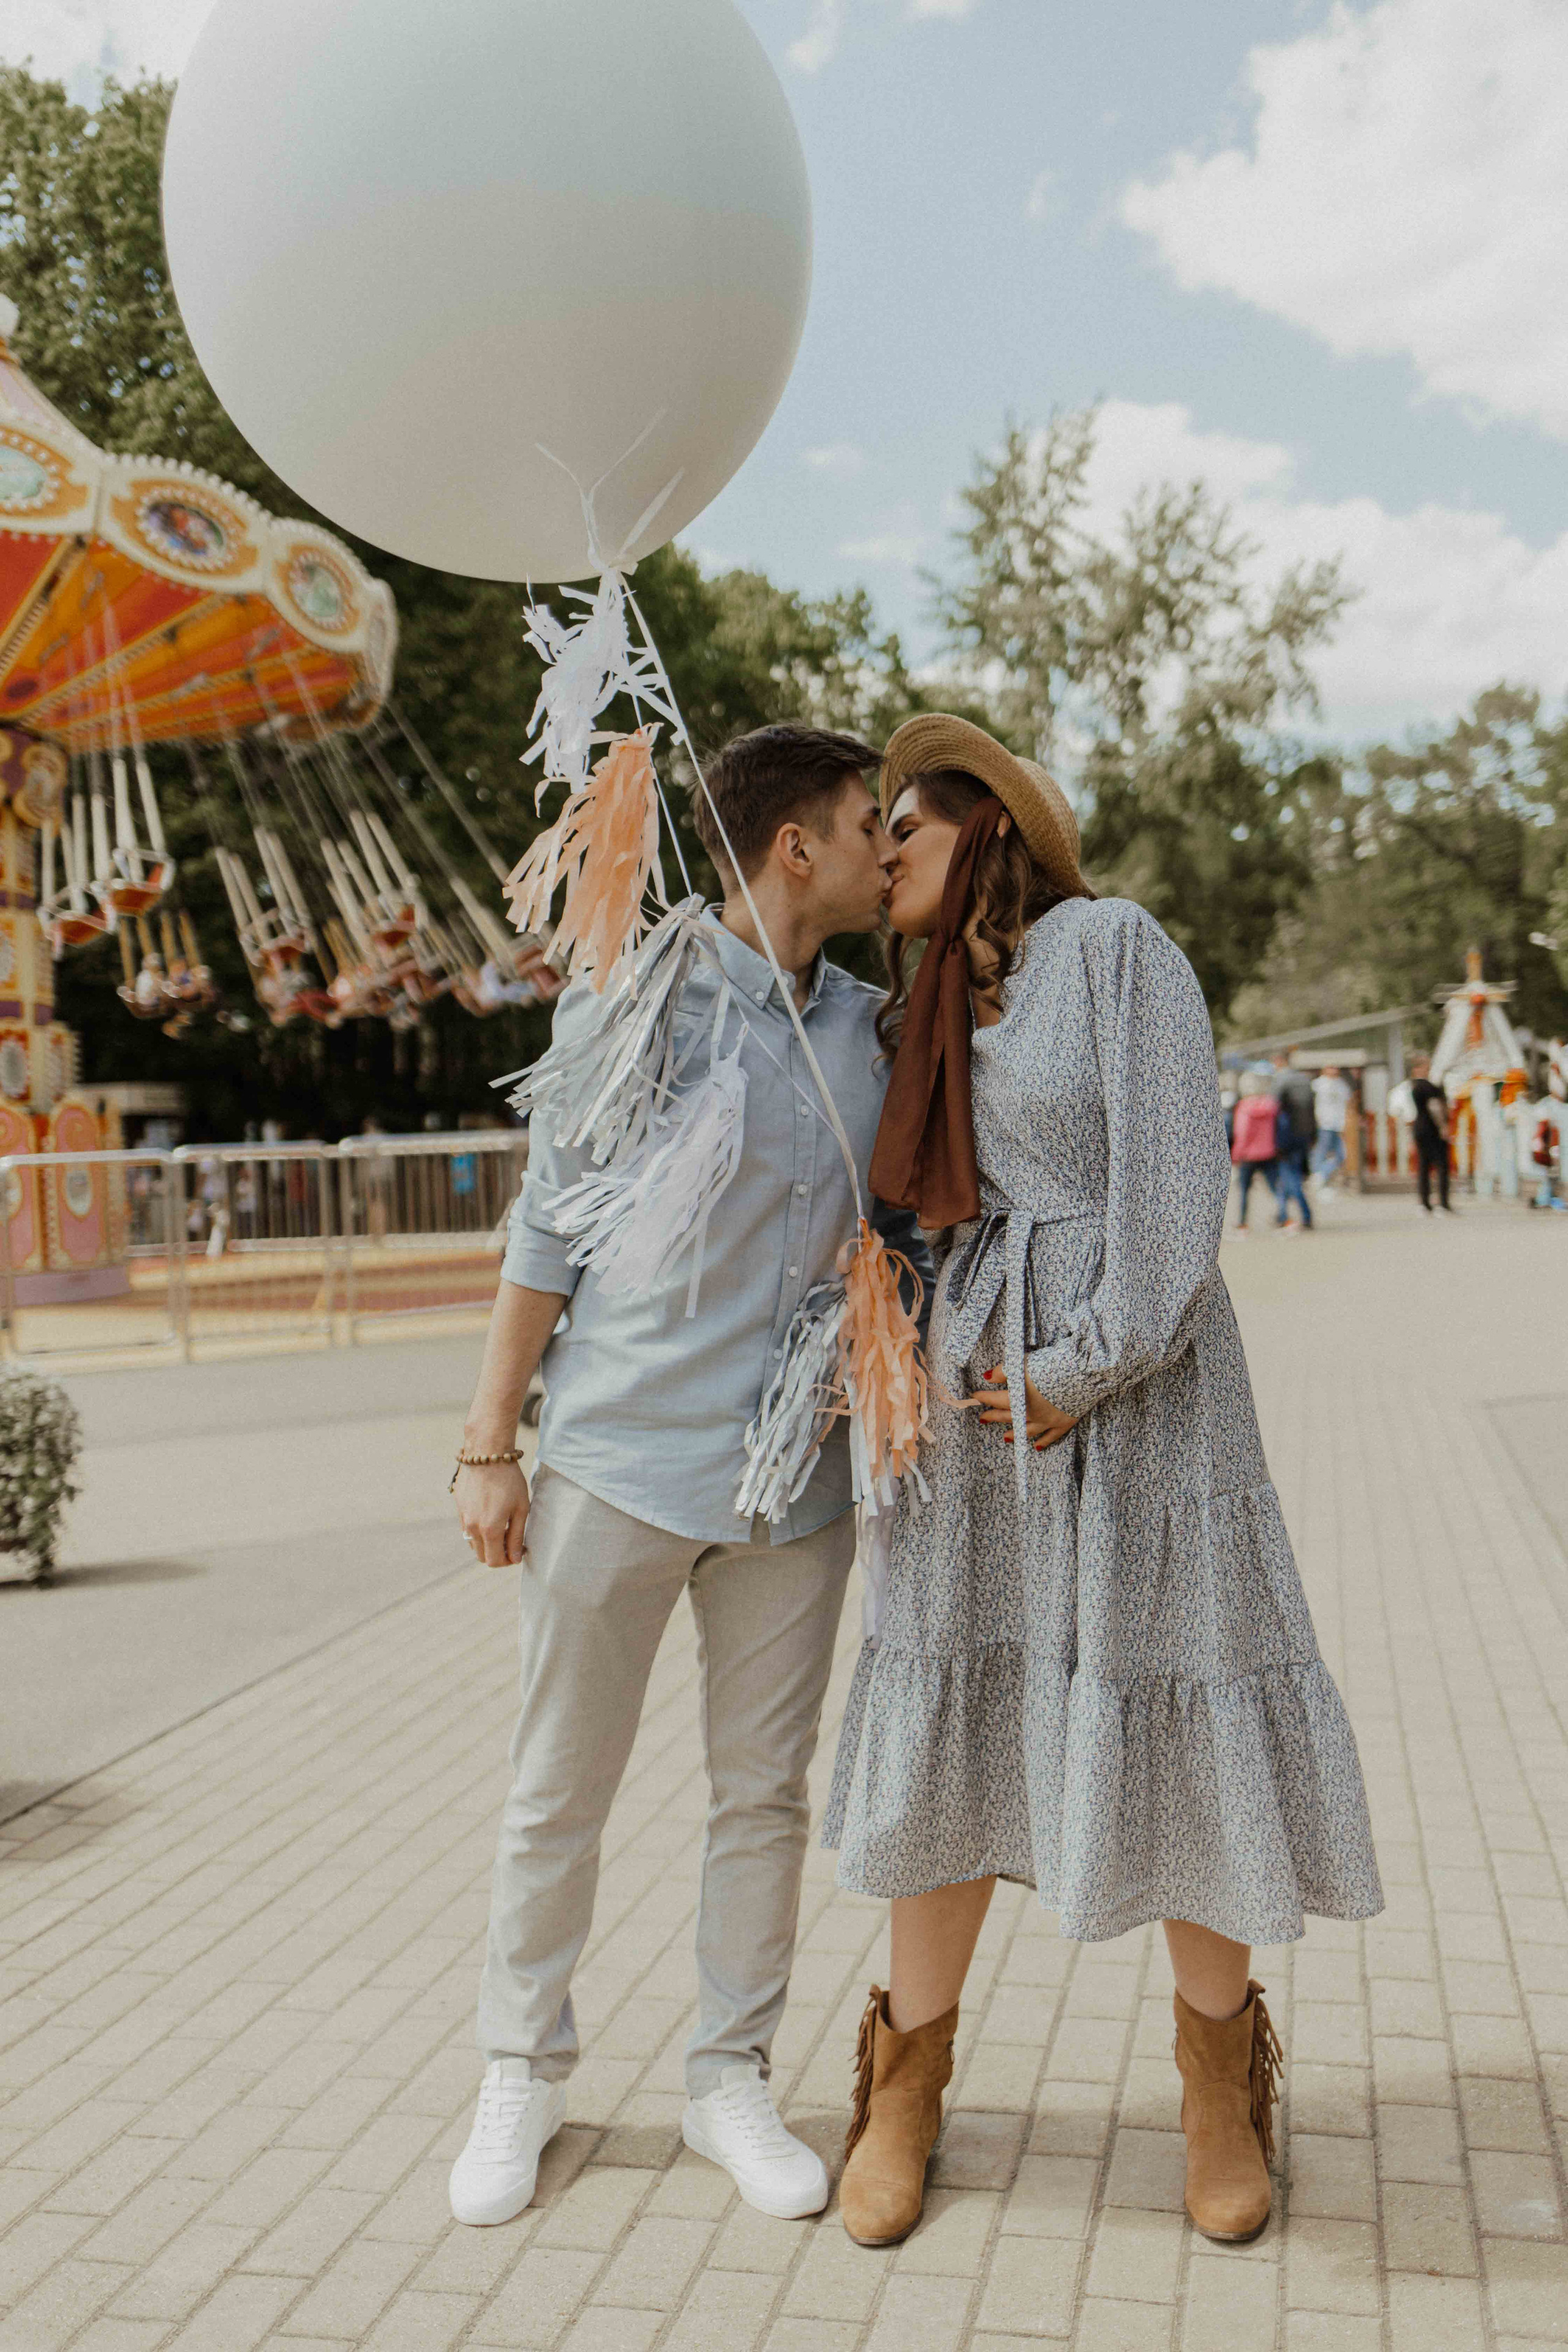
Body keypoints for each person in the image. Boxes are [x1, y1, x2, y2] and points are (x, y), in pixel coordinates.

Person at [823, 714, 1381, 2252]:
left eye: (906, 834)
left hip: (1128, 1402)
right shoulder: (906, 1012)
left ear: (987, 829)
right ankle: (903, 2086)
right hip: (965, 1430)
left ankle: (1217, 2082)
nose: (881, 862)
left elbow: (1170, 1191)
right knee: (957, 1719)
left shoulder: (1113, 951)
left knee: (1173, 1691)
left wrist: (1083, 1364)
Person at [448, 726, 932, 2232]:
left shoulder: (870, 1025)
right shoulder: (638, 996)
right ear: (795, 846)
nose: (884, 847)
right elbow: (550, 1226)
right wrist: (488, 1441)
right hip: (614, 1456)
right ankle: (520, 2067)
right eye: (868, 824)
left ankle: (727, 2073)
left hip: (793, 1481)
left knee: (759, 1797)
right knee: (556, 1791)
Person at [1269, 1053, 1315, 1232]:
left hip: (1285, 1137)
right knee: (1288, 1177)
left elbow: (1273, 1111)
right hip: (1304, 1135)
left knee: (1291, 1177)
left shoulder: (1280, 1081)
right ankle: (1282, 1215)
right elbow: (1312, 1109)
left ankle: (1306, 1215)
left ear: (1279, 1062)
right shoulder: (1304, 1080)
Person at [1229, 1071, 1280, 1232]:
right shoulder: (1270, 1105)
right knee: (1274, 1187)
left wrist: (1236, 1154)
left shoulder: (1244, 1107)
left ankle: (1243, 1222)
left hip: (1249, 1155)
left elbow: (1243, 1133)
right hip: (1268, 1151)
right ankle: (1284, 1216)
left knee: (1244, 1190)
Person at [1409, 1055, 1452, 1213]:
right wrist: (1443, 1126)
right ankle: (1443, 1204)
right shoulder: (1428, 1087)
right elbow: (1434, 1107)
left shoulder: (1413, 1087)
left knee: (1424, 1166)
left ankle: (1425, 1203)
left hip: (1419, 1128)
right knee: (1442, 1165)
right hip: (1431, 1129)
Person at [1311, 1065, 1351, 1188]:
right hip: (1324, 1123)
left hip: (1339, 1125)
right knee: (1321, 1151)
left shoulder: (1341, 1085)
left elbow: (1348, 1103)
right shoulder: (1317, 1085)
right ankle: (1318, 1175)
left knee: (1341, 1155)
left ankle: (1322, 1173)